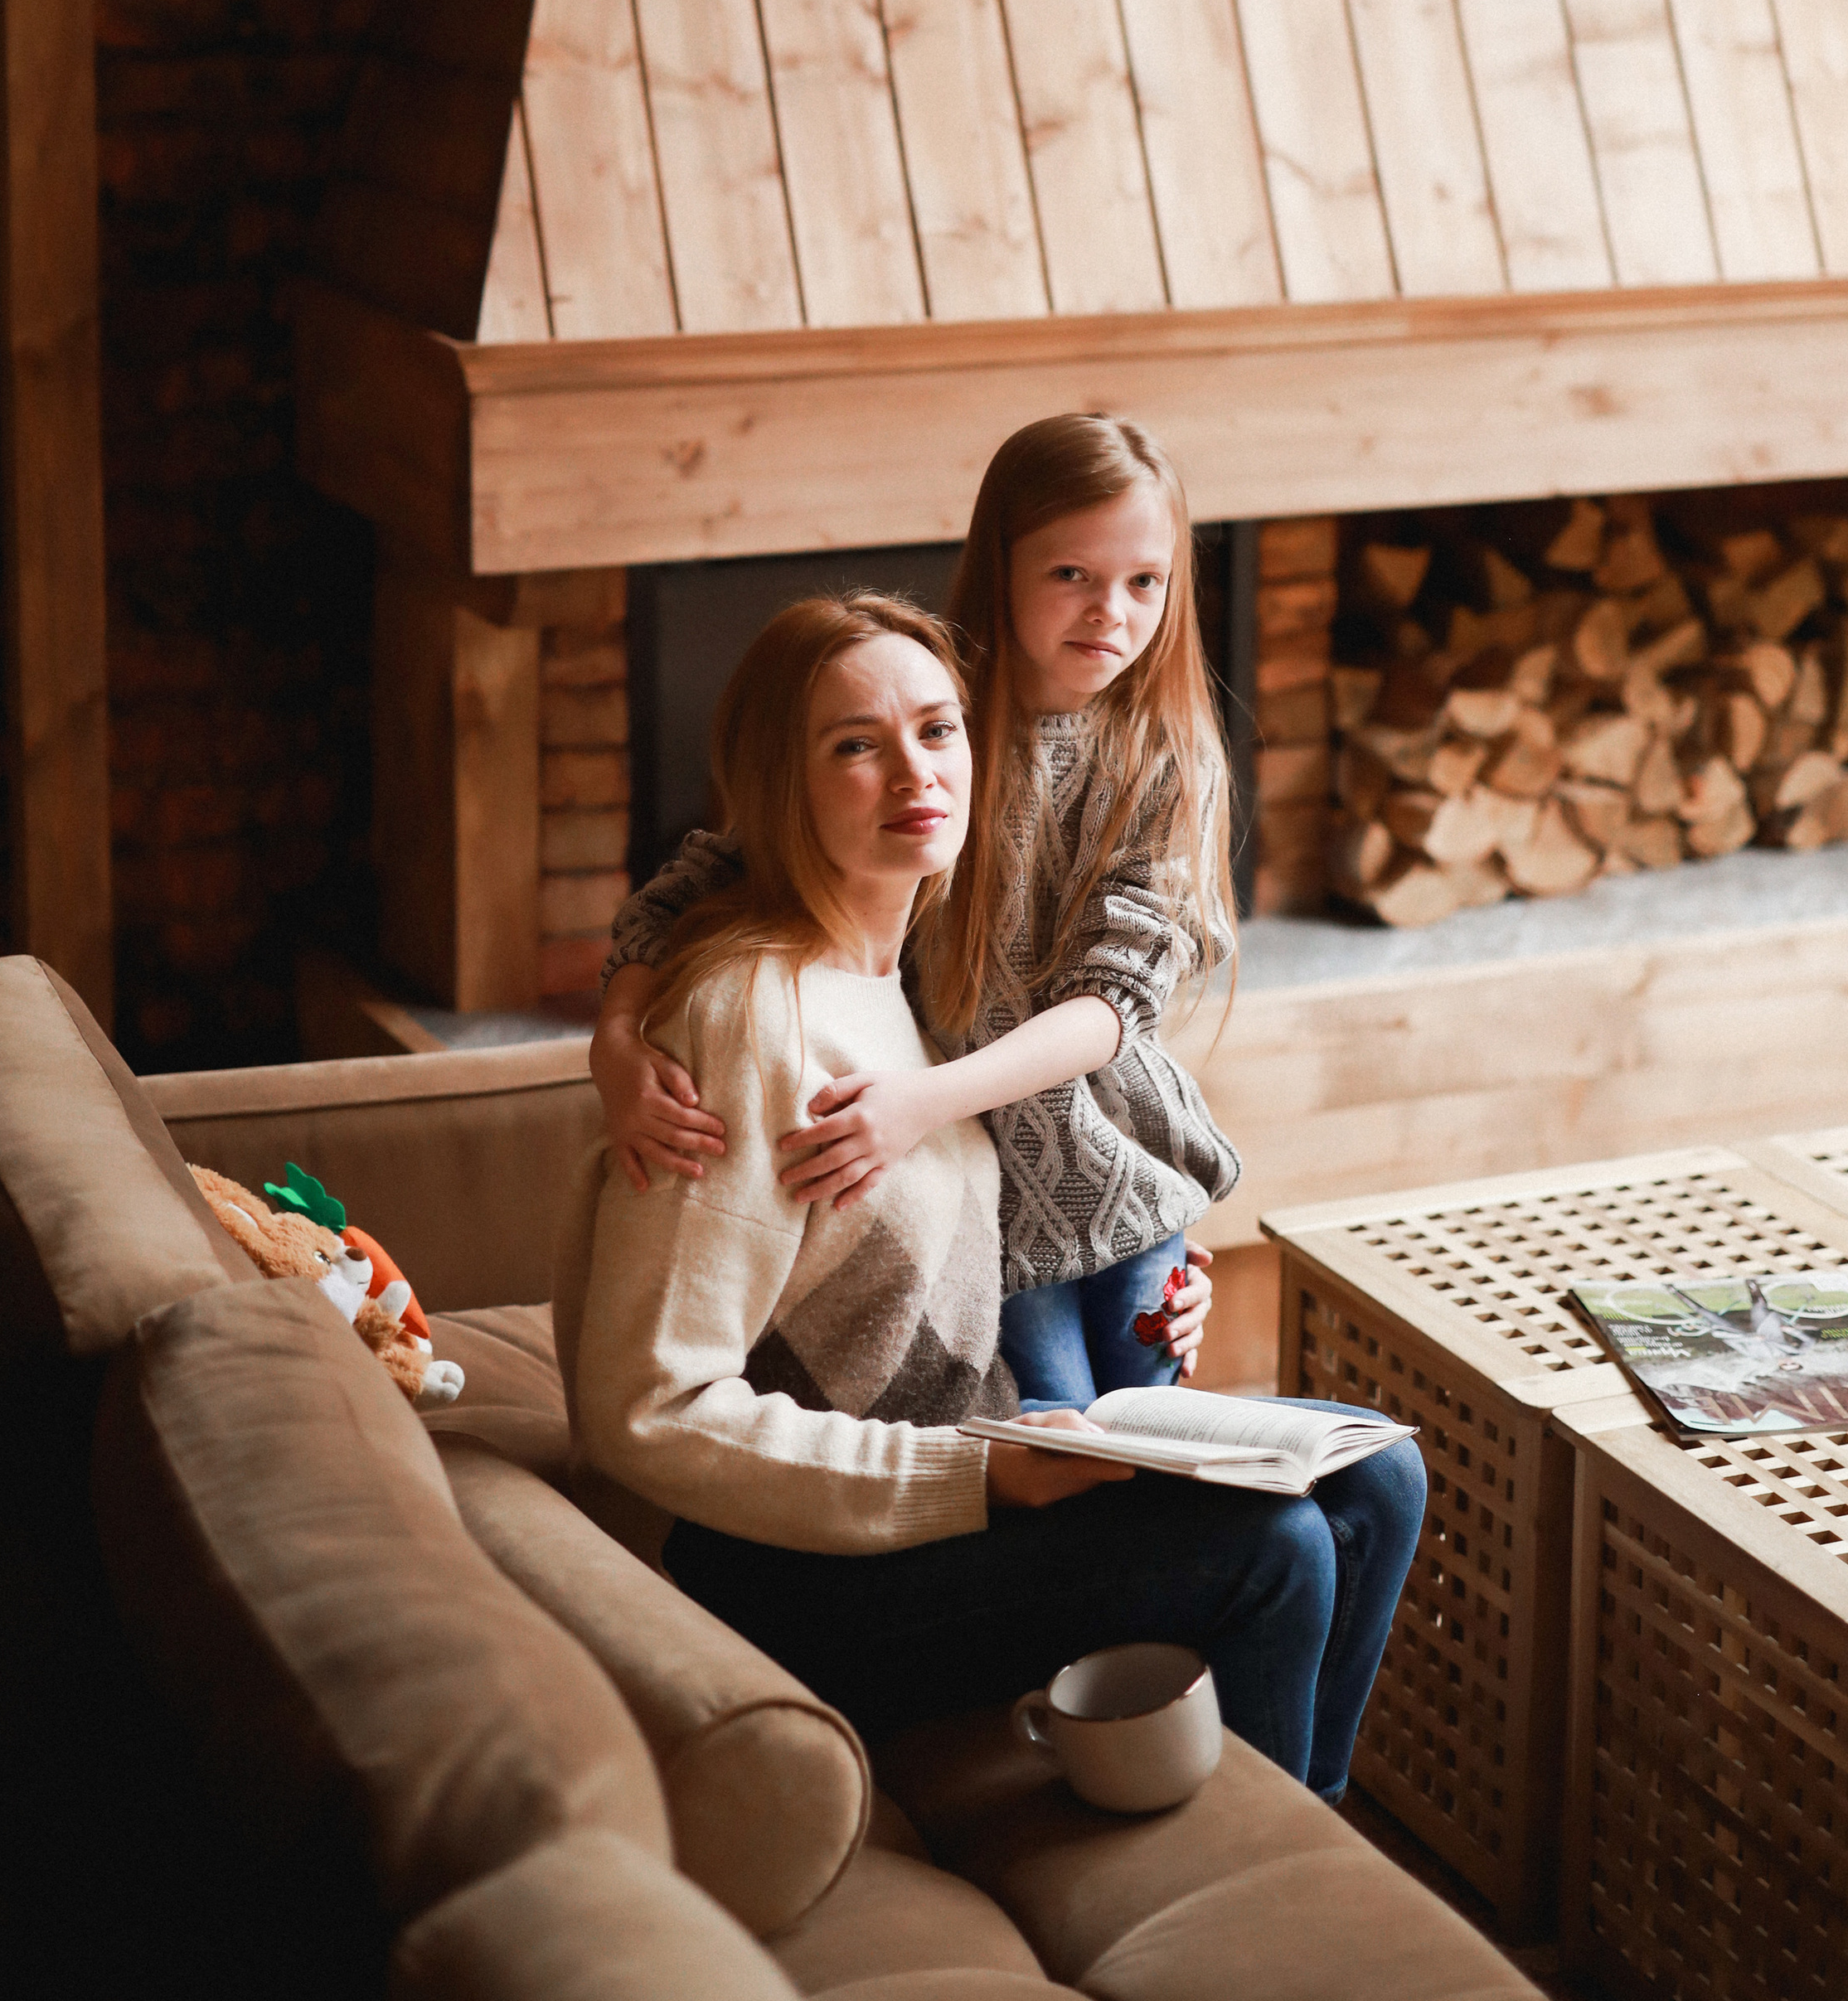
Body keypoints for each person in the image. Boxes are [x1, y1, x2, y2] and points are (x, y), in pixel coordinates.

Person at [555, 589, 1425, 1795]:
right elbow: (648, 1405)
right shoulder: (747, 1018)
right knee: (1272, 1550)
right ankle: (1274, 1894)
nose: (915, 770)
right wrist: (976, 1475)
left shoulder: (907, 969)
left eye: (939, 729)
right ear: (778, 783)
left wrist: (1158, 1267)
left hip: (961, 1459)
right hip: (801, 1576)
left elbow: (930, 1239)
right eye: (855, 745)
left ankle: (1317, 1836)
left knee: (1377, 1473)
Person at [589, 414, 1246, 1403]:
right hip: (977, 1191)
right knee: (1057, 1432)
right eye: (1072, 574)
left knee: (1164, 1448)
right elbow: (703, 878)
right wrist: (613, 1037)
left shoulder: (1167, 758)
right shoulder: (930, 721)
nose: (1110, 613)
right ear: (1001, 564)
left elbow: (1115, 1009)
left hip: (1114, 1175)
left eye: (1143, 582)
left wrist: (922, 1103)